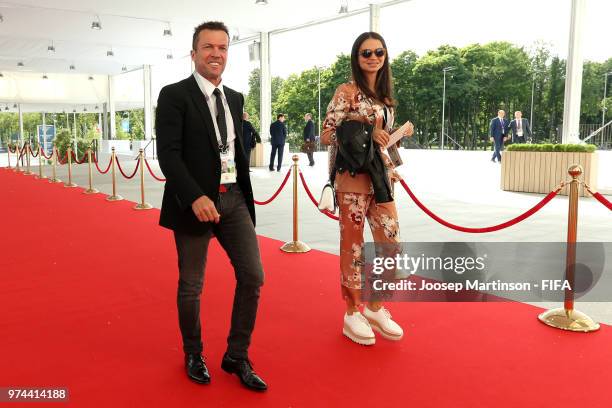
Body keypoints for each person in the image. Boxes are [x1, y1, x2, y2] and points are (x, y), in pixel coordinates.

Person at [155, 21, 267, 391]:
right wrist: (195, 196)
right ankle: (193, 352)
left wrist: (239, 199)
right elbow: (168, 155)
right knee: (191, 285)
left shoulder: (234, 97)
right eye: (208, 47)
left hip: (233, 199)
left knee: (253, 276)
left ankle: (236, 355)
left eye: (222, 47)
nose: (216, 53)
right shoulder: (174, 95)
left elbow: (233, 151)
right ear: (194, 53)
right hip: (194, 203)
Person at [321, 32, 414, 346]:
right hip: (352, 180)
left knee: (390, 242)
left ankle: (375, 306)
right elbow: (327, 134)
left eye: (378, 52)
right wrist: (366, 132)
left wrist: (393, 141)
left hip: (381, 179)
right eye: (366, 53)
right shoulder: (346, 91)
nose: (373, 57)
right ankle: (351, 311)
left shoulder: (386, 98)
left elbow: (382, 141)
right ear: (356, 57)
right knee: (354, 245)